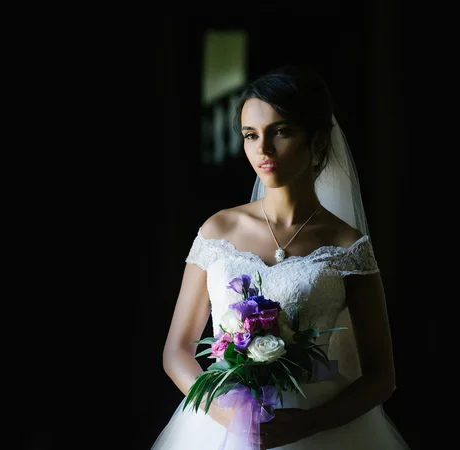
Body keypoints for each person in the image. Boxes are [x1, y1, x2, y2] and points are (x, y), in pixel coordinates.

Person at [150, 65, 410, 449]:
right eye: (250, 135)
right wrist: (229, 417)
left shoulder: (347, 246)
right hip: (220, 427)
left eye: (281, 132)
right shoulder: (218, 231)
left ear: (318, 139)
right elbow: (176, 351)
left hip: (318, 431)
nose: (263, 149)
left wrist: (308, 425)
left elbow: (381, 377)